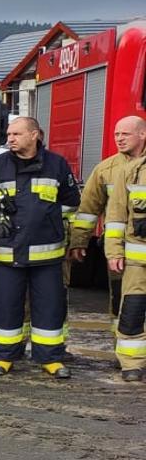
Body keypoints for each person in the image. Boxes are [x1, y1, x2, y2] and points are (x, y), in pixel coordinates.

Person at [0, 116, 79, 379]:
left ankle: (50, 359)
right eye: (9, 134)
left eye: (16, 134)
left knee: (49, 307)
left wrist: (54, 225)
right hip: (6, 253)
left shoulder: (56, 165)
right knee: (7, 306)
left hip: (47, 255)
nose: (10, 138)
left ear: (35, 135)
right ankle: (4, 357)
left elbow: (71, 202)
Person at [73, 115, 144, 329]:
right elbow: (88, 210)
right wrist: (79, 241)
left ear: (142, 134)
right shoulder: (106, 169)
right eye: (116, 134)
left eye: (125, 134)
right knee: (120, 302)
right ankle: (122, 350)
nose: (119, 139)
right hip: (119, 251)